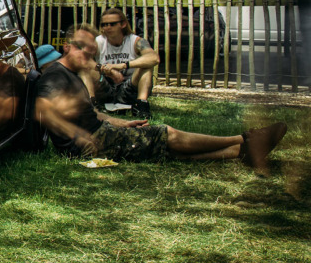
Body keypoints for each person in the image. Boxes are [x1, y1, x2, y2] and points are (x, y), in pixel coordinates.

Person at [35, 24, 287, 171]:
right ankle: (245, 139)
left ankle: (239, 152)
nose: (87, 54)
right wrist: (80, 138)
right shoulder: (55, 76)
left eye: (91, 50)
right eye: (81, 48)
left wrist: (123, 123)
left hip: (101, 133)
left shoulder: (72, 75)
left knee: (165, 151)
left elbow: (92, 113)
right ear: (66, 47)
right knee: (166, 134)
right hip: (90, 144)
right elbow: (45, 111)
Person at [91, 7, 160, 118]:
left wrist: (123, 65)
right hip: (106, 87)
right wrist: (103, 68)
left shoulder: (135, 41)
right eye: (104, 24)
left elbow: (154, 58)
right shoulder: (98, 42)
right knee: (86, 69)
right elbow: (82, 60)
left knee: (146, 65)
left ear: (123, 24)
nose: (107, 27)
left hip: (129, 88)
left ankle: (141, 105)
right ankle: (91, 103)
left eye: (112, 24)